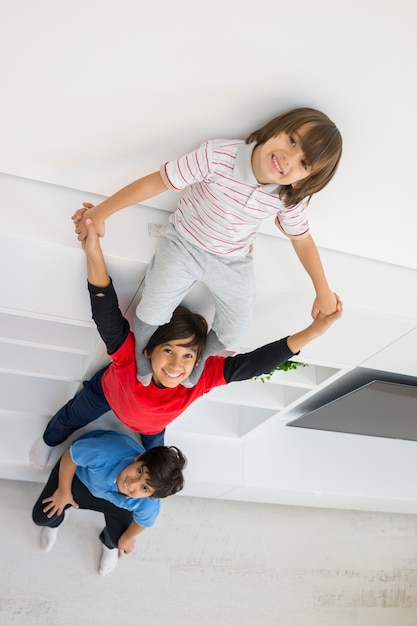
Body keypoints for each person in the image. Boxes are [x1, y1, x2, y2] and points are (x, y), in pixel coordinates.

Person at [30, 218, 342, 470]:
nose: (178, 365)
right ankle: (48, 440)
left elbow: (253, 364)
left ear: (198, 358)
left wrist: (314, 331)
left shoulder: (200, 373)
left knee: (157, 458)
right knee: (71, 416)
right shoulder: (131, 357)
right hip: (107, 394)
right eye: (169, 350)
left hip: (153, 427)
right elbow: (105, 312)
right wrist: (92, 251)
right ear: (149, 349)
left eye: (188, 354)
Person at [72, 107, 343, 386]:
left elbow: (301, 238)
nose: (288, 158)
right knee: (152, 309)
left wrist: (322, 291)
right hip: (184, 244)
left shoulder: (287, 196)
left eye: (303, 163)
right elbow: (156, 182)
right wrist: (101, 212)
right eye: (292, 141)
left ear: (303, 179)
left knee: (235, 332)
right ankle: (145, 348)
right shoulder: (218, 155)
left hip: (233, 261)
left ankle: (200, 359)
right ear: (277, 128)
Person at [32, 429, 186, 576]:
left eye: (144, 488)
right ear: (139, 458)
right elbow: (70, 457)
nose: (132, 484)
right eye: (139, 472)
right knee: (42, 516)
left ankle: (108, 543)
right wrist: (64, 492)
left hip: (115, 504)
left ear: (151, 496)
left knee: (118, 539)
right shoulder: (104, 452)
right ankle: (58, 519)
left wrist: (127, 537)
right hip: (82, 479)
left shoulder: (148, 504)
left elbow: (143, 522)